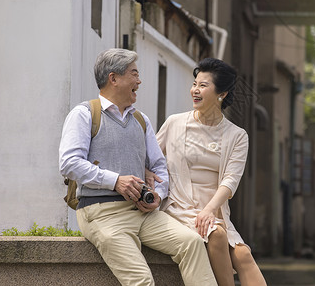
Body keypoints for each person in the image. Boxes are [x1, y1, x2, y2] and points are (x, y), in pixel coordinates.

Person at [59, 48, 217, 286]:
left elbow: (160, 168)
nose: (139, 80)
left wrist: (157, 196)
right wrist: (115, 180)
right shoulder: (84, 114)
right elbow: (69, 163)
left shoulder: (141, 120)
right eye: (134, 74)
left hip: (143, 214)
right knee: (141, 281)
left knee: (192, 243)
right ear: (114, 78)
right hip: (100, 214)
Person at [154, 58, 267, 286]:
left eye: (203, 86)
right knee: (216, 234)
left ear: (221, 94)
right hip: (179, 207)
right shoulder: (174, 123)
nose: (195, 90)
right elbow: (152, 159)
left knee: (243, 254)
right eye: (195, 84)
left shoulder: (237, 136)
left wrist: (209, 210)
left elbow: (230, 180)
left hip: (214, 211)